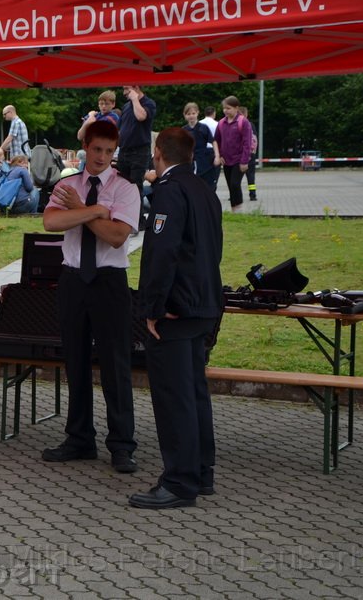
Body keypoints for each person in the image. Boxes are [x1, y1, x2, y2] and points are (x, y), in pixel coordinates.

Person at [129, 127, 223, 510]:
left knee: (174, 396)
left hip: (176, 309)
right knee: (195, 394)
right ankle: (201, 472)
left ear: (158, 153)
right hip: (204, 305)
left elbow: (162, 253)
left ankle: (179, 482)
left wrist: (151, 307)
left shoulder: (169, 191)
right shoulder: (204, 190)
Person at [41, 120, 141, 474]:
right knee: (76, 361)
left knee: (115, 364)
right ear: (86, 147)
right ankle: (80, 438)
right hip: (72, 280)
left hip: (110, 282)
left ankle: (122, 444)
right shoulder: (67, 184)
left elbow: (116, 236)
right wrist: (96, 210)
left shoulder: (127, 189)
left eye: (108, 152)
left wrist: (79, 211)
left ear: (115, 153)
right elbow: (51, 223)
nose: (101, 158)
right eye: (96, 150)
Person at [213, 96, 252, 212]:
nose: (225, 111)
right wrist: (219, 156)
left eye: (228, 108)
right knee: (230, 185)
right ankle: (234, 209)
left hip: (239, 159)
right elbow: (216, 140)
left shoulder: (243, 122)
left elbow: (247, 142)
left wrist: (244, 161)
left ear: (236, 108)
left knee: (235, 184)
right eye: (224, 108)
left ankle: (239, 209)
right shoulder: (221, 123)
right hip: (226, 160)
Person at [116, 85, 157, 192]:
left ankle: (137, 209)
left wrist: (135, 99)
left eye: (126, 89)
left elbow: (141, 116)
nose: (124, 93)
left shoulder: (149, 103)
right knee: (121, 187)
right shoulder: (126, 106)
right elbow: (119, 129)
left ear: (136, 88)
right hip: (123, 152)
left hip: (138, 153)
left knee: (135, 188)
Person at [182, 102, 214, 183]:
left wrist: (217, 156)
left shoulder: (204, 127)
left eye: (193, 113)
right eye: (188, 114)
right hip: (189, 159)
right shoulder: (184, 130)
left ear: (197, 113)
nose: (191, 116)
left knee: (205, 181)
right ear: (184, 115)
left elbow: (213, 142)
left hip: (203, 159)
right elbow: (180, 145)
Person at [238, 106, 259, 201]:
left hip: (241, 155)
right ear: (246, 114)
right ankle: (253, 195)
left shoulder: (238, 124)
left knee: (236, 177)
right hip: (251, 154)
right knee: (251, 176)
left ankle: (235, 195)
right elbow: (254, 139)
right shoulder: (252, 125)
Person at [198, 105, 220, 189]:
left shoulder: (200, 123)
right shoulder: (217, 124)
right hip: (213, 151)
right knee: (213, 175)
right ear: (214, 113)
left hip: (201, 151)